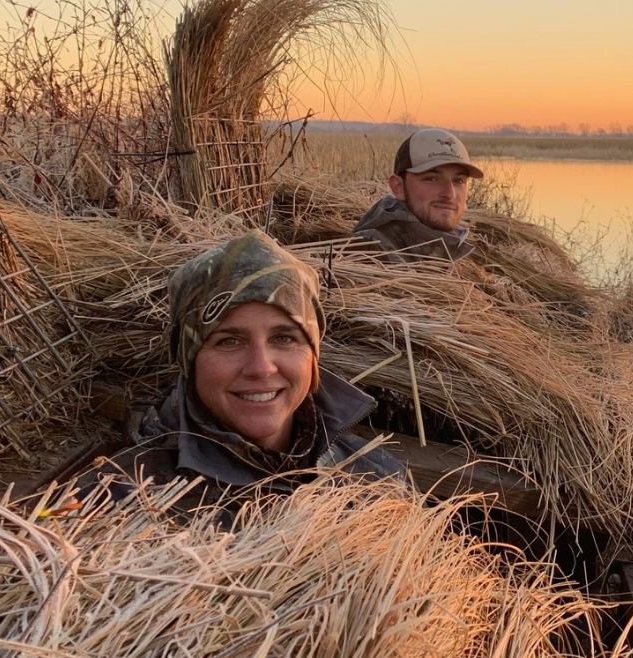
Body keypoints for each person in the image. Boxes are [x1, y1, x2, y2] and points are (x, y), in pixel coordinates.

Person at [73, 230, 403, 514]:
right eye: (229, 341)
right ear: (190, 359)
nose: (261, 367)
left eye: (284, 338)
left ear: (313, 354)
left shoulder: (375, 478)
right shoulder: (118, 503)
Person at [351, 128, 482, 263]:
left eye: (458, 181)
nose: (449, 194)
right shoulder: (367, 253)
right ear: (398, 187)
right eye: (432, 179)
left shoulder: (455, 249)